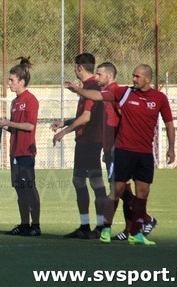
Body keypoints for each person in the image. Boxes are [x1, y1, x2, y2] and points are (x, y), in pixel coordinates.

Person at [65, 64, 175, 245]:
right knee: (117, 190)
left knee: (143, 193)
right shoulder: (124, 93)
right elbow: (98, 96)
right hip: (123, 151)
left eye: (137, 76)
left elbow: (169, 123)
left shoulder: (159, 98)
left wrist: (171, 148)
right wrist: (78, 89)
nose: (133, 79)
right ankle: (106, 229)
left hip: (145, 152)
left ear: (148, 79)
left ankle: (136, 232)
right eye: (133, 75)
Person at [95, 62, 156, 241]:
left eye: (99, 74)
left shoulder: (116, 93)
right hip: (113, 150)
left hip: (121, 151)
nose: (97, 78)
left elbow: (126, 120)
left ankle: (143, 220)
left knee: (120, 191)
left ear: (109, 75)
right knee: (122, 191)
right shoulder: (108, 94)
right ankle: (132, 228)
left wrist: (116, 146)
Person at [0, 56, 41, 236]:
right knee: (19, 189)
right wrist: (0, 122)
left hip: (26, 152)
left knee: (29, 188)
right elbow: (15, 127)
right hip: (15, 152)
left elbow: (30, 126)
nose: (9, 83)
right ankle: (24, 224)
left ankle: (36, 225)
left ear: (21, 82)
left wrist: (6, 122)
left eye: (11, 80)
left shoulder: (30, 100)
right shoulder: (15, 102)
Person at [51, 53, 106, 239]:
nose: (75, 70)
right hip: (85, 142)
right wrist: (65, 122)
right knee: (80, 181)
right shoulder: (87, 88)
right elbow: (82, 116)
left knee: (96, 183)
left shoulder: (91, 87)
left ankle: (99, 227)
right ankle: (85, 226)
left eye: (75, 67)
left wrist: (63, 133)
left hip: (90, 142)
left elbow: (86, 117)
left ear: (80, 68)